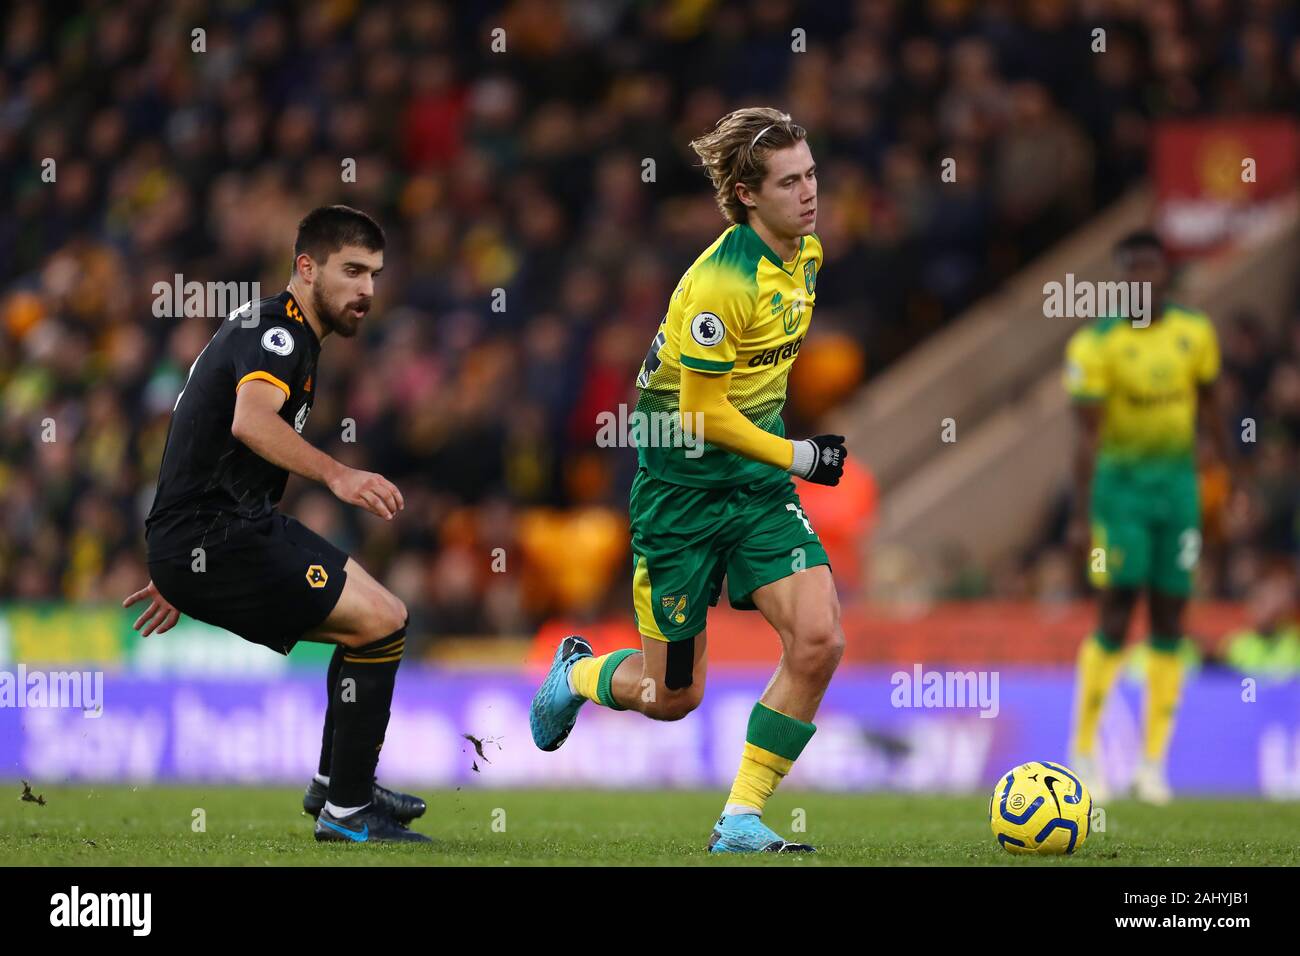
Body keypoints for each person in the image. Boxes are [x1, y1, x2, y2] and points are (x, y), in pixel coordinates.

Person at [529, 108, 847, 852]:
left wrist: (777, 463)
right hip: (682, 498)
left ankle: (740, 816)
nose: (809, 194)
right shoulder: (719, 285)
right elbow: (700, 414)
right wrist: (799, 455)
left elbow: (758, 379)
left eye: (811, 176)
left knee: (820, 639)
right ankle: (577, 675)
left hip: (759, 492)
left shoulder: (807, 258)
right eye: (789, 182)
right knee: (673, 696)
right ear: (745, 194)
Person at [124, 205, 428, 843]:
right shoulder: (280, 337)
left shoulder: (278, 331)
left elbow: (203, 440)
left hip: (210, 536)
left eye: (373, 274)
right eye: (351, 271)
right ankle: (347, 809)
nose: (366, 290)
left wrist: (181, 566)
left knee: (371, 623)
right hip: (217, 534)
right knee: (383, 619)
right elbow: (249, 422)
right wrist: (339, 476)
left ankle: (336, 784)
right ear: (306, 267)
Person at [1064, 229, 1233, 805]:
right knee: (1117, 607)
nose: (1143, 278)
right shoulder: (1096, 344)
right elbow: (1086, 439)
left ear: (1166, 273)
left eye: (1151, 267)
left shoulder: (1195, 334)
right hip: (1121, 492)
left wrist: (1226, 481)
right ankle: (1084, 751)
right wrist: (1082, 515)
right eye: (1132, 268)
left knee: (1170, 616)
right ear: (1120, 278)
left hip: (1178, 490)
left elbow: (1212, 406)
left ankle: (1153, 765)